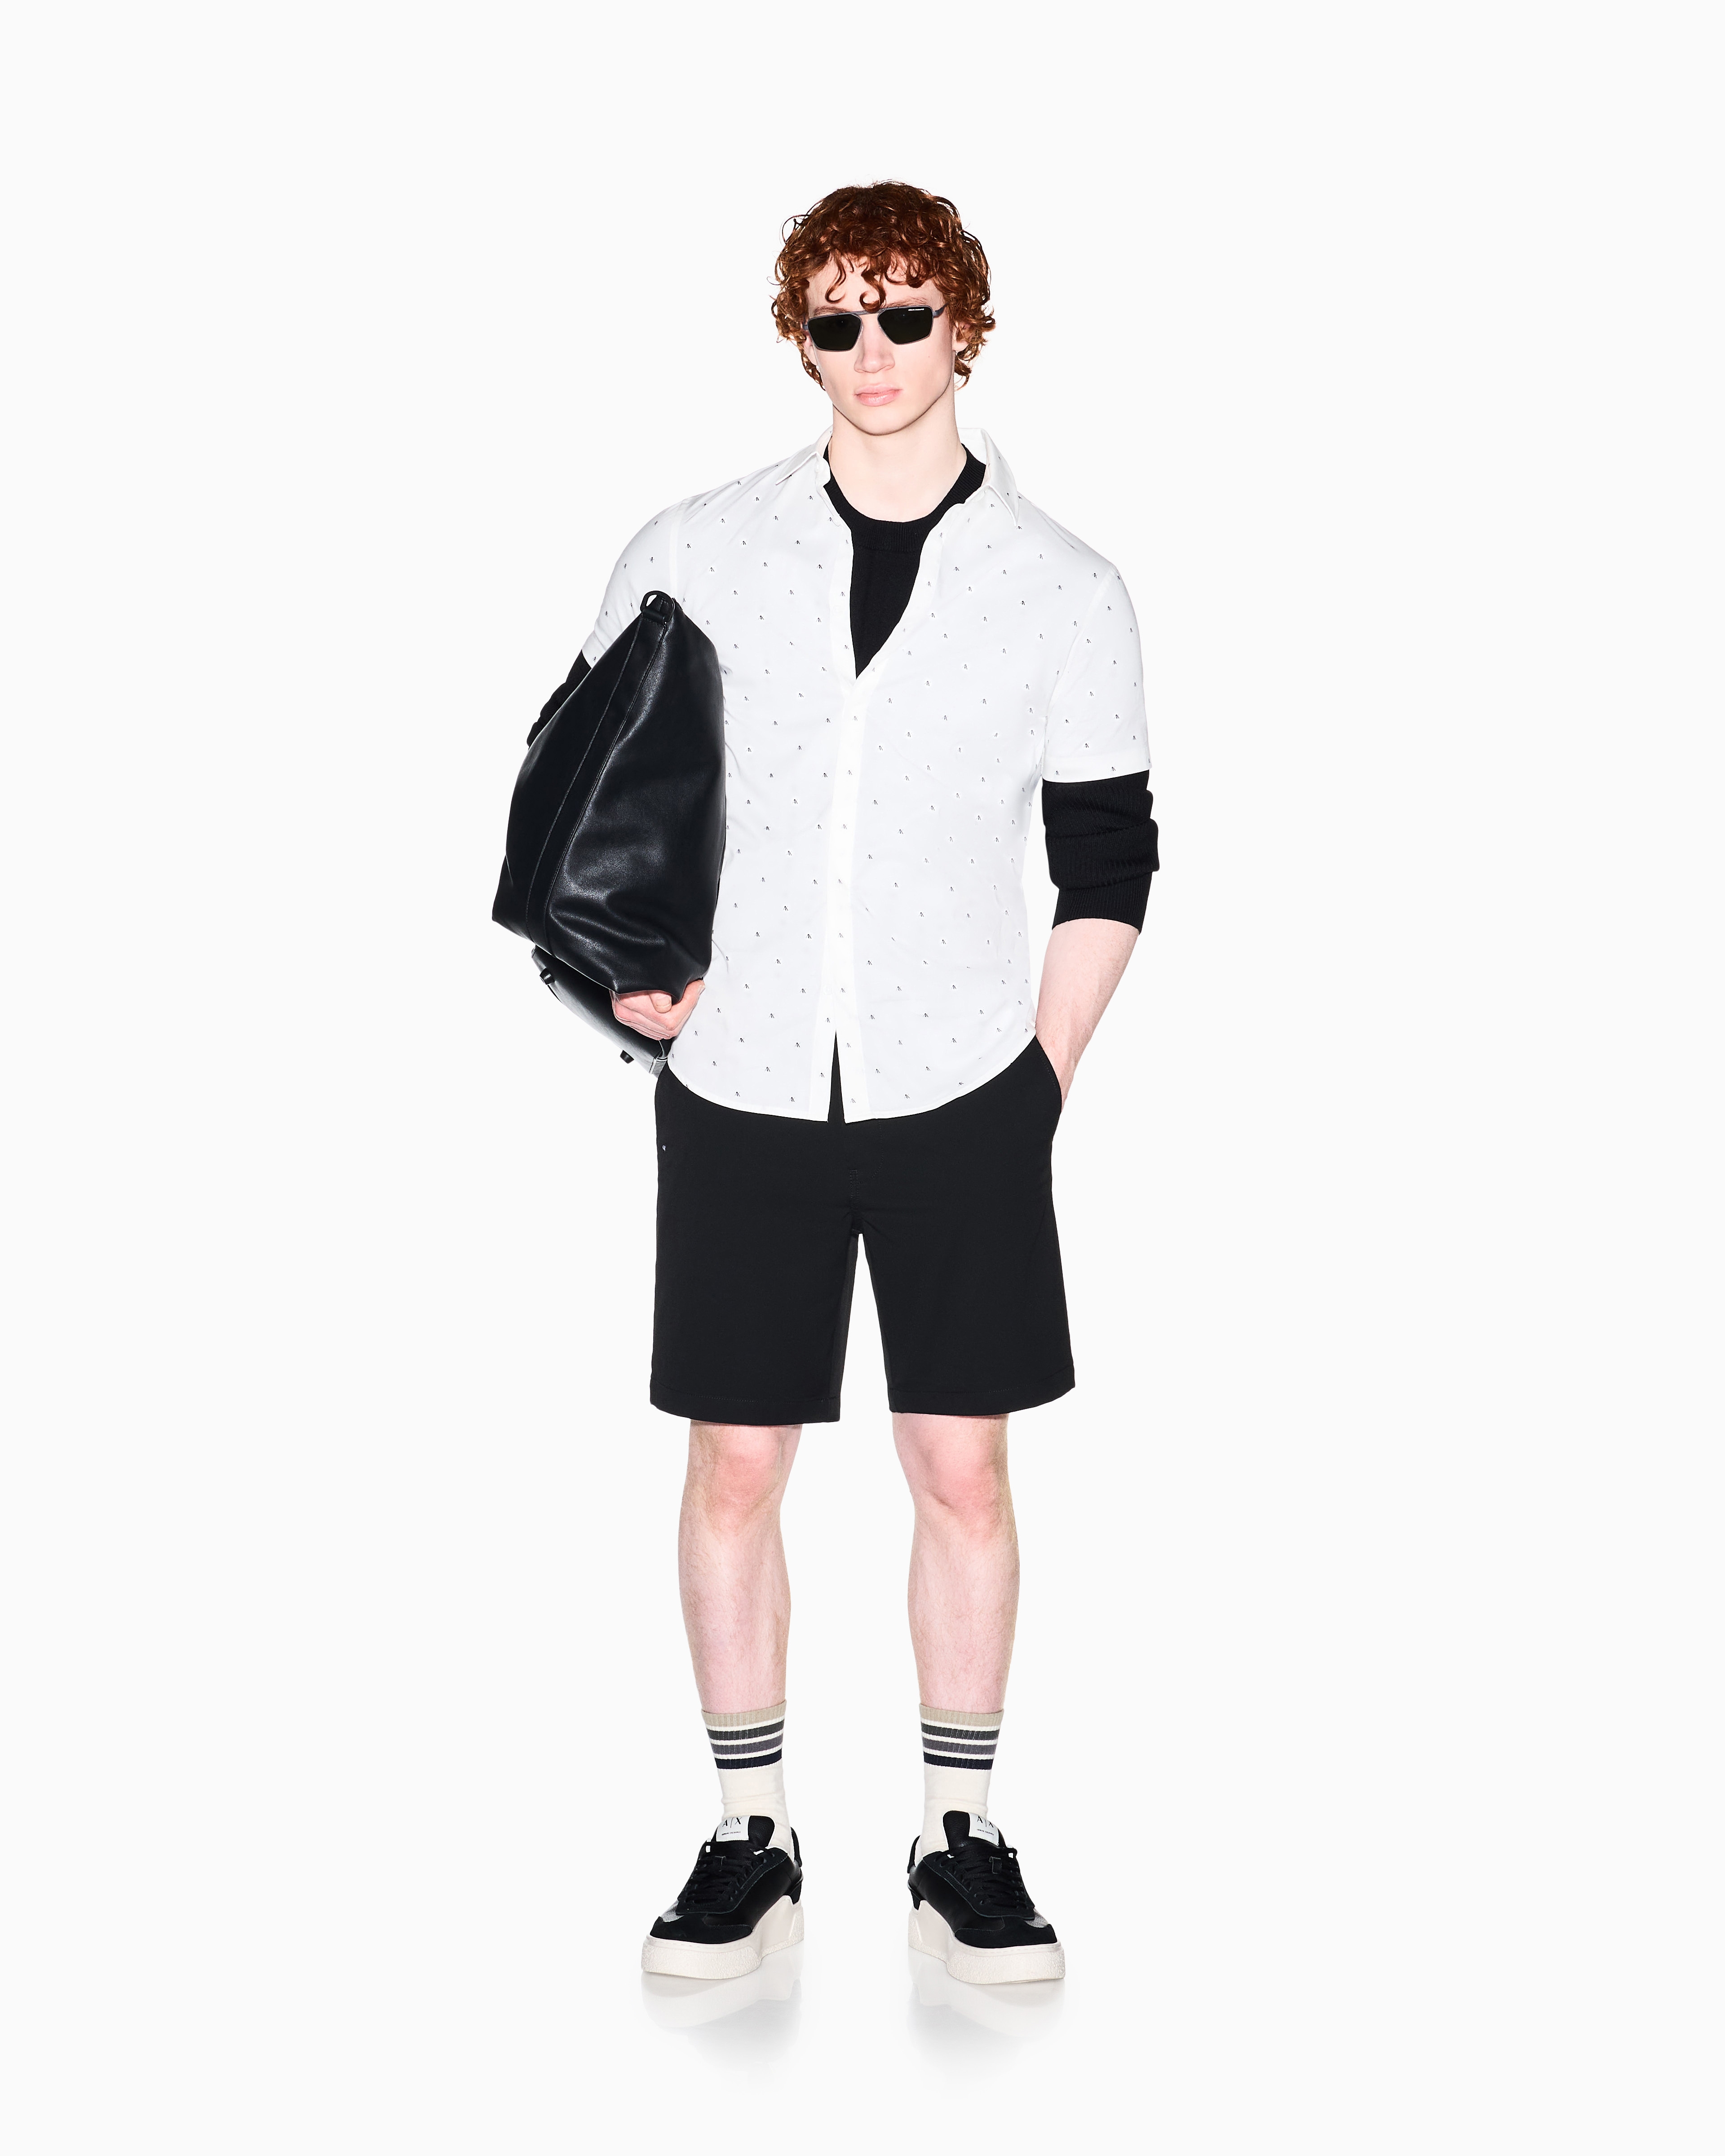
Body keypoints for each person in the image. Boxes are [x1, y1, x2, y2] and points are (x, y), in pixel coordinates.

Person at [580, 181, 1158, 1985]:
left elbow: (1110, 861)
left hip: (963, 1087)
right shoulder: (695, 548)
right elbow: (587, 796)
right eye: (838, 320)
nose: (876, 351)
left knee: (961, 1468)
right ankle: (748, 1829)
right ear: (801, 341)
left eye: (907, 315)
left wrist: (1038, 1081)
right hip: (740, 1083)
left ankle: (958, 1831)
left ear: (965, 325)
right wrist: (632, 985)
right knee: (733, 1462)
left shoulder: (1066, 587)